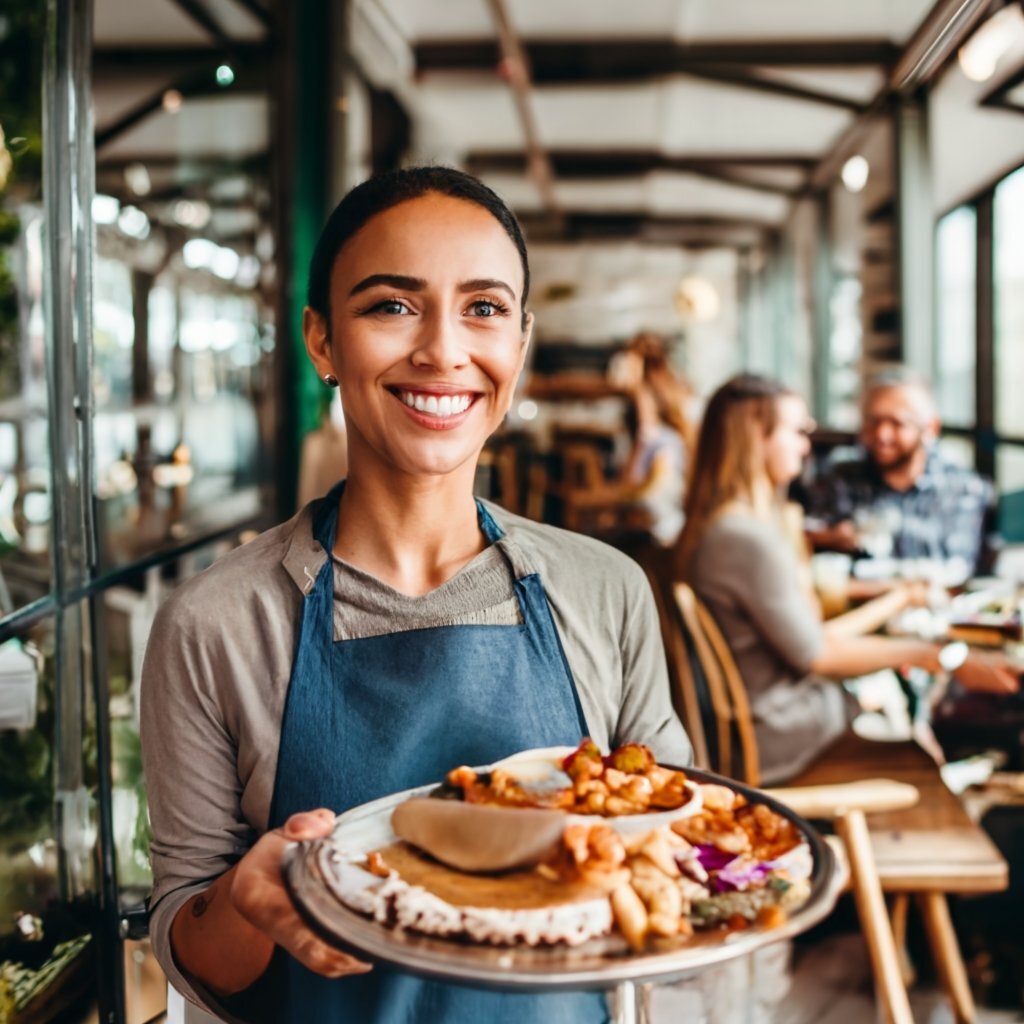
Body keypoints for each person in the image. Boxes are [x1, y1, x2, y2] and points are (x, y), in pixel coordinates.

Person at [140, 166, 691, 1024]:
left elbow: (678, 845)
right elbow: (191, 946)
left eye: (483, 308)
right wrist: (244, 905)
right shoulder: (214, 623)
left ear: (521, 340)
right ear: (321, 340)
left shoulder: (606, 590)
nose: (442, 350)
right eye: (391, 306)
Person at [674, 373, 1018, 784]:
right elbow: (818, 655)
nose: (806, 445)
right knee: (925, 753)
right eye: (796, 431)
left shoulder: (730, 528)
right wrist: (935, 654)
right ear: (754, 435)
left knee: (908, 717)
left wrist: (920, 634)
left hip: (776, 723)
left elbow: (815, 640)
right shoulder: (743, 538)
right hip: (782, 740)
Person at [805, 367, 999, 574]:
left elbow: (963, 571)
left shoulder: (966, 489)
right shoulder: (838, 478)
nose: (881, 434)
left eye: (897, 423)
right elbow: (807, 549)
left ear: (930, 428)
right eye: (873, 421)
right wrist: (829, 538)